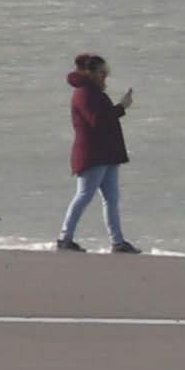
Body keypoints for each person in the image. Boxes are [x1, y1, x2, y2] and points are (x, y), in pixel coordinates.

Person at [54, 51, 140, 253]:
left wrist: (119, 108)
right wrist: (121, 107)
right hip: (92, 154)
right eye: (102, 72)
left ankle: (117, 242)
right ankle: (64, 238)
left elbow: (104, 119)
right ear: (90, 72)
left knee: (111, 198)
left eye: (106, 72)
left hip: (107, 154)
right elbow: (98, 120)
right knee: (83, 195)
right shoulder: (84, 93)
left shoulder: (94, 92)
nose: (105, 76)